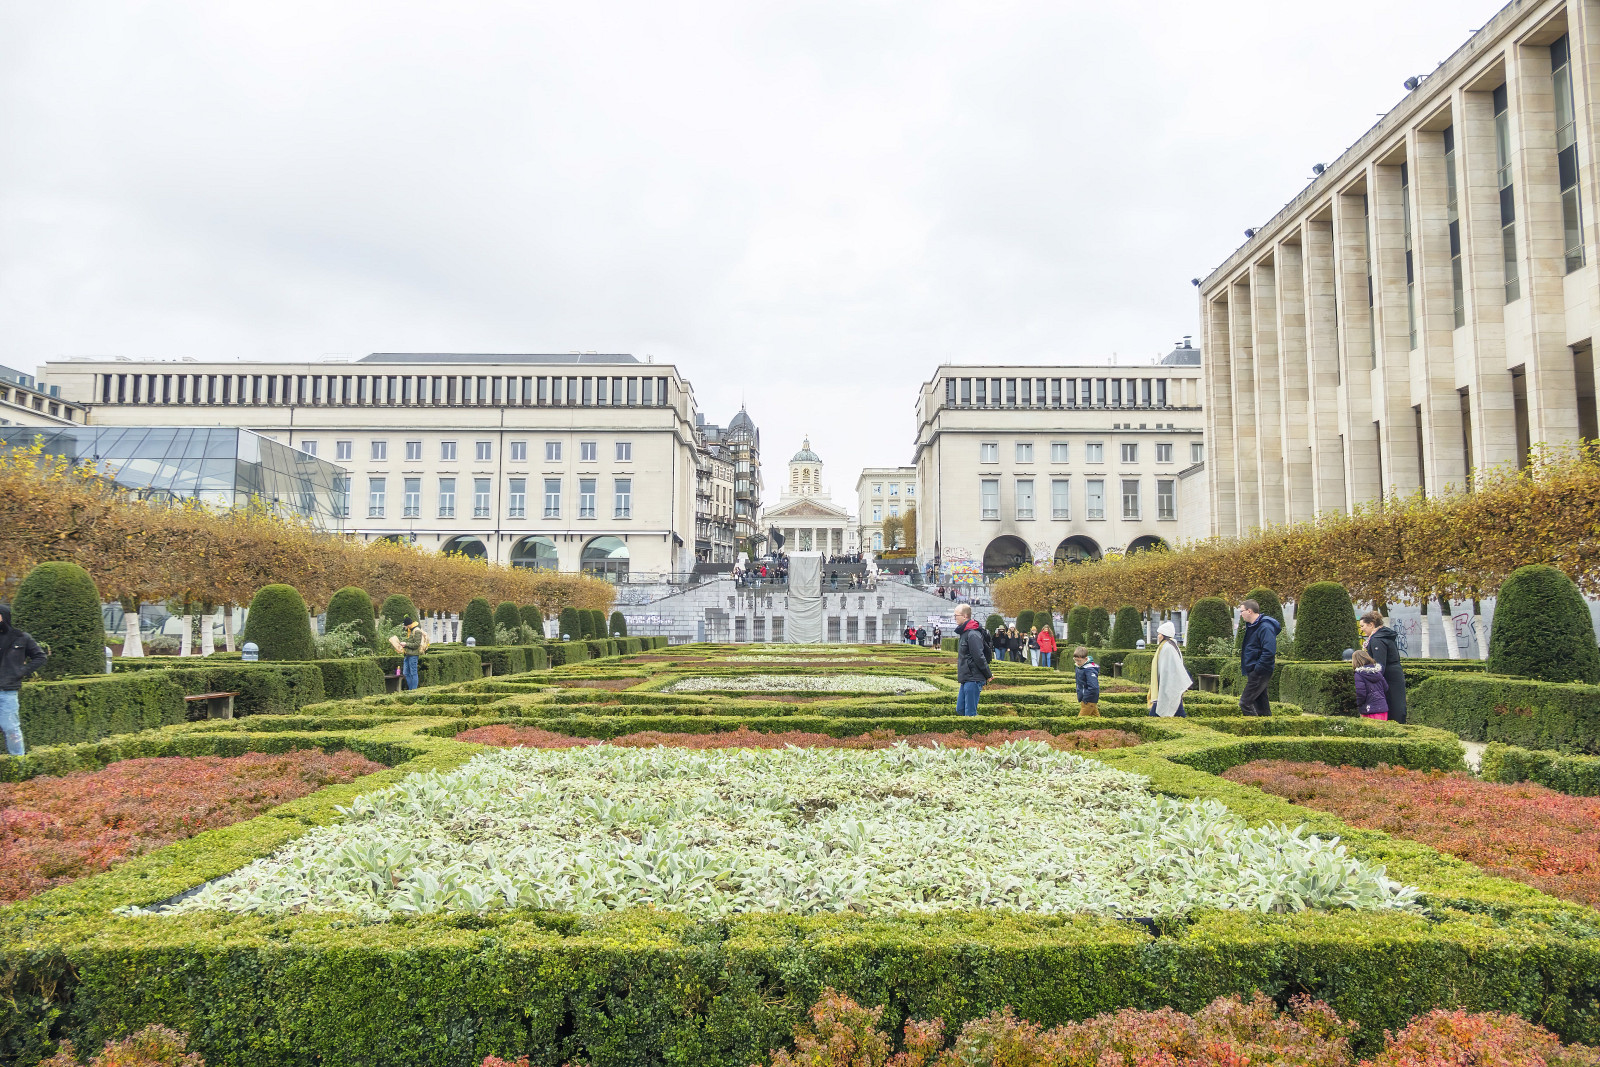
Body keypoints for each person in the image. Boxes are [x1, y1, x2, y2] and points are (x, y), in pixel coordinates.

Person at [0, 604, 49, 756]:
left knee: (11, 728)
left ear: (4, 616)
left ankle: (18, 762)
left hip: (7, 691)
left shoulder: (21, 637)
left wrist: (21, 671)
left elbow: (40, 657)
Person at [1360, 610, 1407, 724]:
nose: (1361, 629)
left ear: (1371, 624)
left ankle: (1395, 728)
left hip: (1389, 678)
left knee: (1393, 705)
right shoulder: (1385, 635)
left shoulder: (1377, 639)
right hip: (1395, 674)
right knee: (1397, 703)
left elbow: (1379, 665)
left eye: (1362, 626)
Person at [1237, 598, 1280, 717]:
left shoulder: (1265, 627)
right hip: (1256, 670)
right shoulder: (1254, 626)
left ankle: (1253, 727)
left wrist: (1258, 669)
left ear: (1249, 611)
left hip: (1260, 671)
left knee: (1245, 703)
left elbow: (1269, 651)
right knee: (1262, 707)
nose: (1241, 614)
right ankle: (1266, 727)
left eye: (1241, 611)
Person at [1148, 620, 1192, 717]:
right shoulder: (1169, 645)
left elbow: (1167, 668)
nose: (1158, 636)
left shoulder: (1167, 647)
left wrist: (1163, 683)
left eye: (1159, 634)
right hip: (1171, 684)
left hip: (1169, 684)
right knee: (1176, 706)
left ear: (1164, 635)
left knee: (1162, 709)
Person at [954, 604, 991, 716]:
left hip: (973, 677)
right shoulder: (965, 632)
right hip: (967, 677)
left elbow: (979, 656)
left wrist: (988, 674)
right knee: (960, 710)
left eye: (956, 615)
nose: (955, 618)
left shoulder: (973, 634)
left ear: (965, 616)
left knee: (970, 714)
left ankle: (979, 727)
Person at [388, 616, 429, 691]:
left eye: (405, 625)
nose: (405, 627)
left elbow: (417, 644)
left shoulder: (417, 631)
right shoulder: (411, 630)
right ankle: (411, 689)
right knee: (405, 673)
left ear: (408, 624)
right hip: (407, 654)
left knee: (413, 673)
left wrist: (406, 644)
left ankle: (414, 690)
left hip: (413, 655)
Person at [1352, 648, 1389, 719]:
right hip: (1382, 708)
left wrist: (1359, 704)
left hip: (1368, 709)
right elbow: (1386, 688)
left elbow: (1360, 693)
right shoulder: (1377, 671)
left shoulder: (1359, 674)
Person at [1073, 646, 1099, 716]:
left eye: (1079, 661)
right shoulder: (1080, 667)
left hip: (1088, 700)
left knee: (1080, 720)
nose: (1077, 662)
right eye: (1075, 660)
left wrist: (1085, 699)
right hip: (1085, 699)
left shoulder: (1090, 670)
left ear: (1086, 659)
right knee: (1096, 719)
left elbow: (1094, 687)